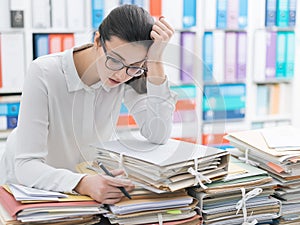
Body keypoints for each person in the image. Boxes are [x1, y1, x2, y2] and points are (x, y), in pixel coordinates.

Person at [0, 4, 177, 204]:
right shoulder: (44, 72)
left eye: (135, 66)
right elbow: (26, 165)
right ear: (97, 40)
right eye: (115, 60)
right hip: (31, 189)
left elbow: (158, 134)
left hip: (86, 193)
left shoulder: (128, 75)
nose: (120, 74)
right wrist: (83, 183)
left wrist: (156, 62)